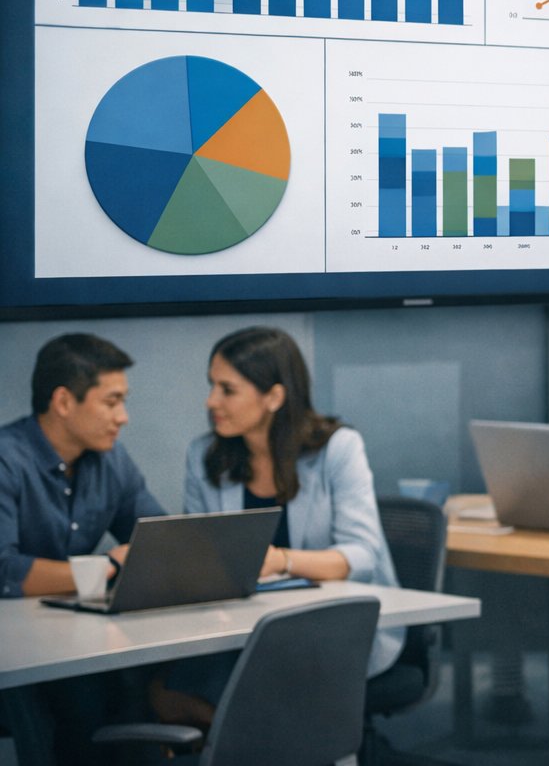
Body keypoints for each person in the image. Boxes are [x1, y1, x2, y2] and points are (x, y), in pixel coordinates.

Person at [150, 326, 402, 726]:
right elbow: (200, 555)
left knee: (253, 688)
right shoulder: (205, 455)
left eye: (227, 389)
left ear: (274, 397)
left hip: (330, 628)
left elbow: (362, 556)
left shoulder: (338, 448)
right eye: (211, 386)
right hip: (238, 627)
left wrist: (281, 561)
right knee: (158, 684)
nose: (211, 401)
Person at [0, 333, 165, 762]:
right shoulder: (6, 458)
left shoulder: (112, 460)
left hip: (79, 641)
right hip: (15, 648)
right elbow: (4, 570)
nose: (123, 417)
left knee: (140, 678)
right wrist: (107, 565)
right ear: (63, 401)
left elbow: (158, 536)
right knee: (91, 695)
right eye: (111, 402)